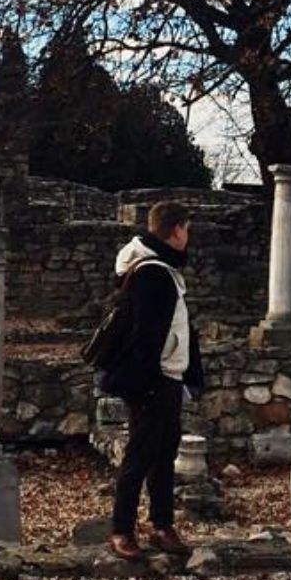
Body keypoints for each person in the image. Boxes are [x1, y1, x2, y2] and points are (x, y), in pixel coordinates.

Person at [103, 200, 204, 559]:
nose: (188, 236)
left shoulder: (163, 269)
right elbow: (145, 336)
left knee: (164, 452)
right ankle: (122, 529)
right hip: (153, 378)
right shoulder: (153, 272)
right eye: (186, 229)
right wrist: (146, 384)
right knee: (141, 453)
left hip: (168, 375)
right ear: (176, 230)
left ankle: (162, 525)